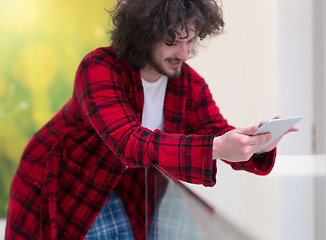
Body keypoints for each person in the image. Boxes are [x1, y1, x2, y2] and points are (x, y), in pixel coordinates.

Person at [5, 0, 297, 239]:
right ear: (144, 33)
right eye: (172, 41)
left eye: (190, 41)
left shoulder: (188, 85)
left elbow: (216, 133)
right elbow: (129, 143)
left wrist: (257, 142)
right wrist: (216, 147)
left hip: (131, 186)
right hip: (66, 182)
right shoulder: (99, 68)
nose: (184, 53)